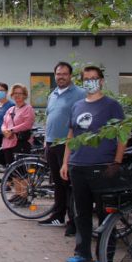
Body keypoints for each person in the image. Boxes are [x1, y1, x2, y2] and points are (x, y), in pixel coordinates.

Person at [60, 66, 125, 262]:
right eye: (86, 79)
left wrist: (117, 162)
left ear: (101, 81)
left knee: (105, 214)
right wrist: (65, 162)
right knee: (81, 213)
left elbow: (122, 135)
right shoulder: (77, 106)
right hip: (78, 166)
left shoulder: (112, 106)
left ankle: (104, 257)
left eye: (94, 78)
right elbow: (71, 135)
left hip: (102, 168)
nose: (90, 82)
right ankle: (82, 252)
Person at [39, 61, 87, 233]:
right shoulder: (52, 94)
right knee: (58, 184)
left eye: (65, 74)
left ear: (70, 76)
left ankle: (73, 222)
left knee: (70, 185)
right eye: (58, 74)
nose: (61, 77)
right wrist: (46, 140)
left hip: (67, 144)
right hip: (51, 143)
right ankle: (58, 216)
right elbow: (49, 117)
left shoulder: (80, 93)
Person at [0, 84, 35, 203]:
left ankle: (24, 196)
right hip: (8, 142)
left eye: (20, 93)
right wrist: (4, 130)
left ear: (25, 95)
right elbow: (4, 123)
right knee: (13, 169)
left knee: (22, 170)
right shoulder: (10, 109)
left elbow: (27, 124)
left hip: (21, 143)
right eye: (15, 93)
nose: (17, 95)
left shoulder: (28, 108)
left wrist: (11, 130)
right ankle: (17, 193)